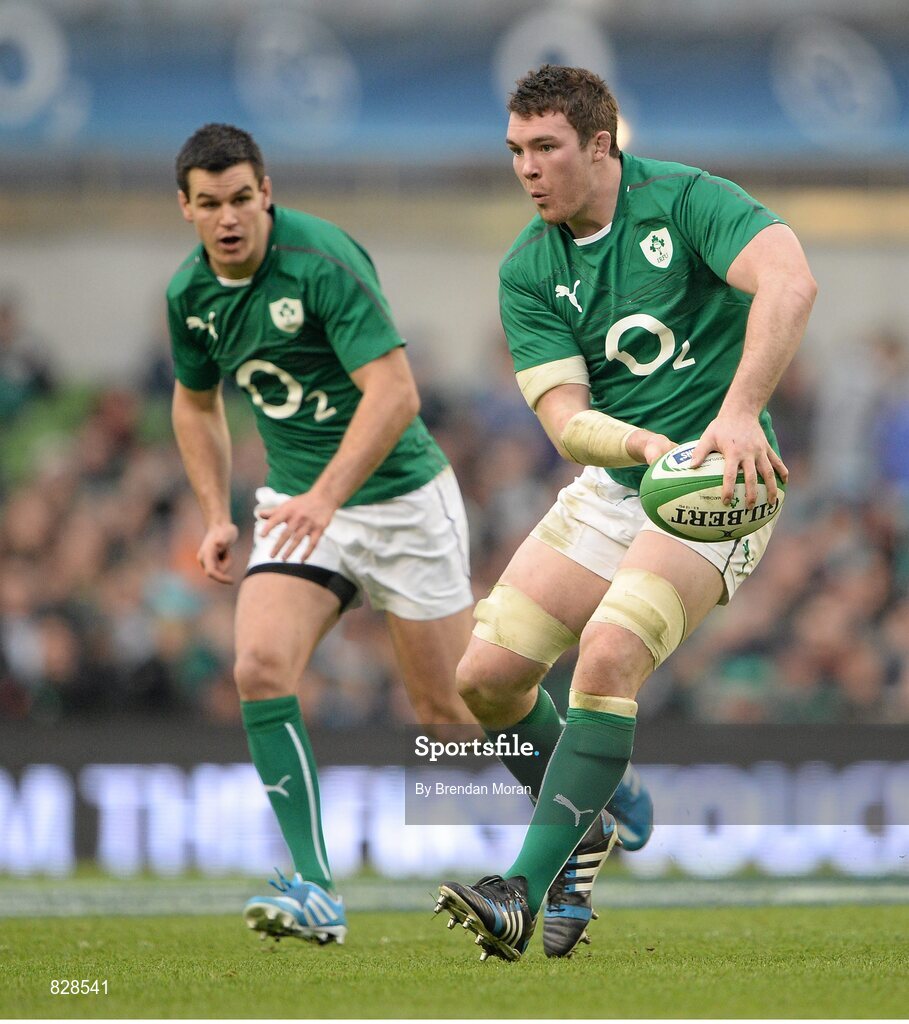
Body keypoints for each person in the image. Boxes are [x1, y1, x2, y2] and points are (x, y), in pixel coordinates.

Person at [433, 65, 817, 961]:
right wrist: (645, 448)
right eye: (515, 151)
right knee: (485, 678)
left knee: (605, 656)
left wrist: (732, 414)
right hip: (625, 481)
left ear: (600, 145)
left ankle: (524, 887)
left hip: (720, 484)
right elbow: (565, 419)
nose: (526, 169)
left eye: (545, 148)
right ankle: (592, 819)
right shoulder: (529, 266)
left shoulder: (685, 201)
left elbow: (789, 283)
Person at [167, 123, 479, 945]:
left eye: (241, 198)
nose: (228, 218)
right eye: (210, 204)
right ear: (186, 209)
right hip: (303, 508)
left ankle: (589, 792)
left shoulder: (321, 259)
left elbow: (396, 394)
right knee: (259, 665)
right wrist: (215, 513)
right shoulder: (188, 297)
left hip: (404, 499)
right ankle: (315, 887)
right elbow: (195, 401)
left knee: (455, 712)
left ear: (266, 192)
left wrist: (326, 498)